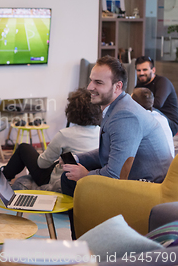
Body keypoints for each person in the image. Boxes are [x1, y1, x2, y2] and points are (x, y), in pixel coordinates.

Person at [61, 56, 173, 239]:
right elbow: (111, 151)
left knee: (72, 180)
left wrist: (85, 175)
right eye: (91, 80)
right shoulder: (118, 106)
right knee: (70, 174)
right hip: (133, 177)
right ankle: (83, 237)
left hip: (145, 188)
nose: (90, 87)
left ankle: (83, 242)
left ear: (117, 87)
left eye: (98, 82)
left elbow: (114, 174)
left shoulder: (125, 116)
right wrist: (79, 157)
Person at [2, 88, 101, 192]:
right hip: (83, 181)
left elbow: (42, 164)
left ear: (71, 110)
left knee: (24, 148)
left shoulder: (65, 134)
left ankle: (3, 177)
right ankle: (4, 175)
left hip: (58, 181)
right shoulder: (101, 133)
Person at [135, 56, 178, 135]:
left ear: (153, 70)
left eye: (145, 70)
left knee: (148, 110)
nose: (141, 73)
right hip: (153, 120)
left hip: (170, 124)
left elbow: (158, 104)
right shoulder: (139, 86)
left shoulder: (162, 82)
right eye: (138, 70)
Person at [131, 88, 175, 157]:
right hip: (169, 165)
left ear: (134, 103)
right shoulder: (162, 118)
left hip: (153, 166)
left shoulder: (140, 120)